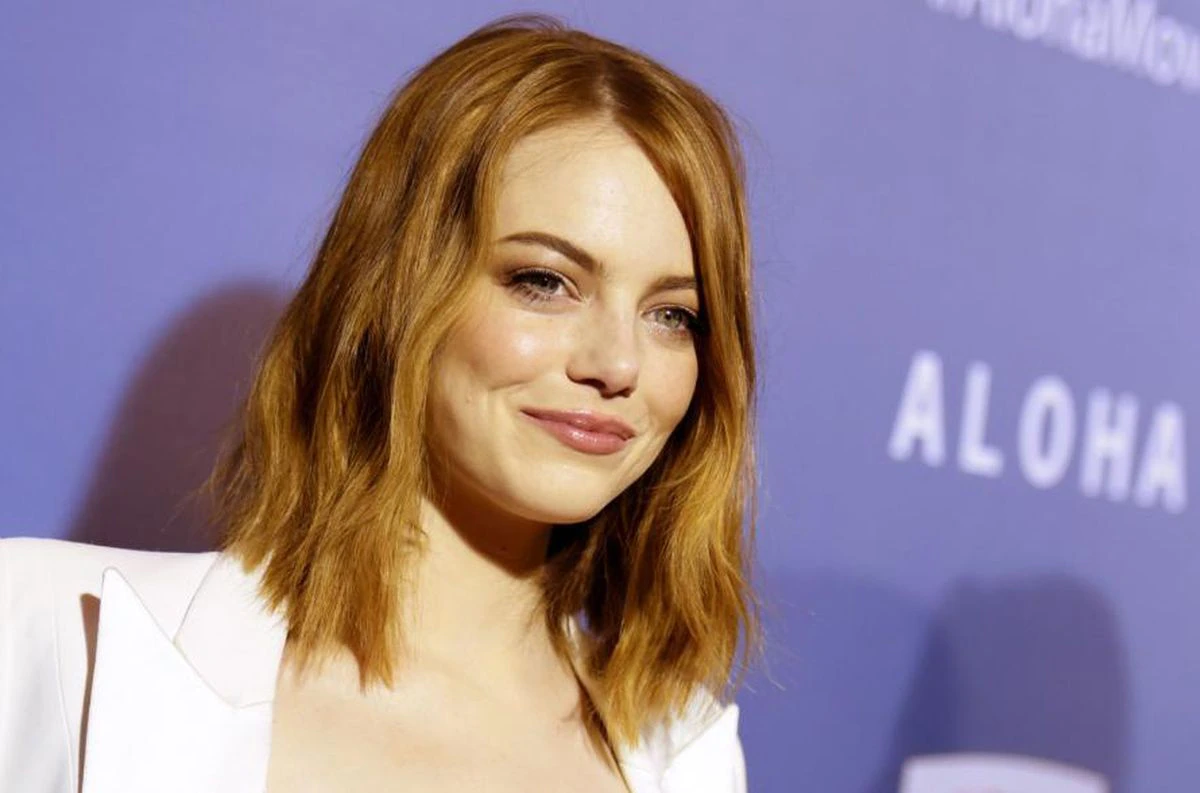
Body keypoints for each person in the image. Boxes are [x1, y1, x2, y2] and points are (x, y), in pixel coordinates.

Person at [0, 13, 760, 793]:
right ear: (394, 289)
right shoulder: (44, 635)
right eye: (544, 281)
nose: (619, 363)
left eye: (674, 315)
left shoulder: (687, 758)